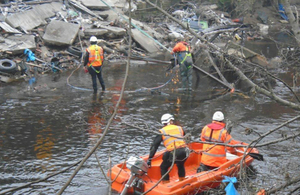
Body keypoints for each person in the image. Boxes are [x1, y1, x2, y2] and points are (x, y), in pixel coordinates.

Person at [147, 113, 188, 184]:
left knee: (163, 167)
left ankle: (166, 183)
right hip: (184, 151)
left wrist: (150, 158)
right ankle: (182, 181)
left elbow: (154, 146)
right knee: (180, 164)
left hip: (174, 152)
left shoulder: (162, 131)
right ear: (171, 121)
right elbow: (185, 138)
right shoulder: (179, 128)